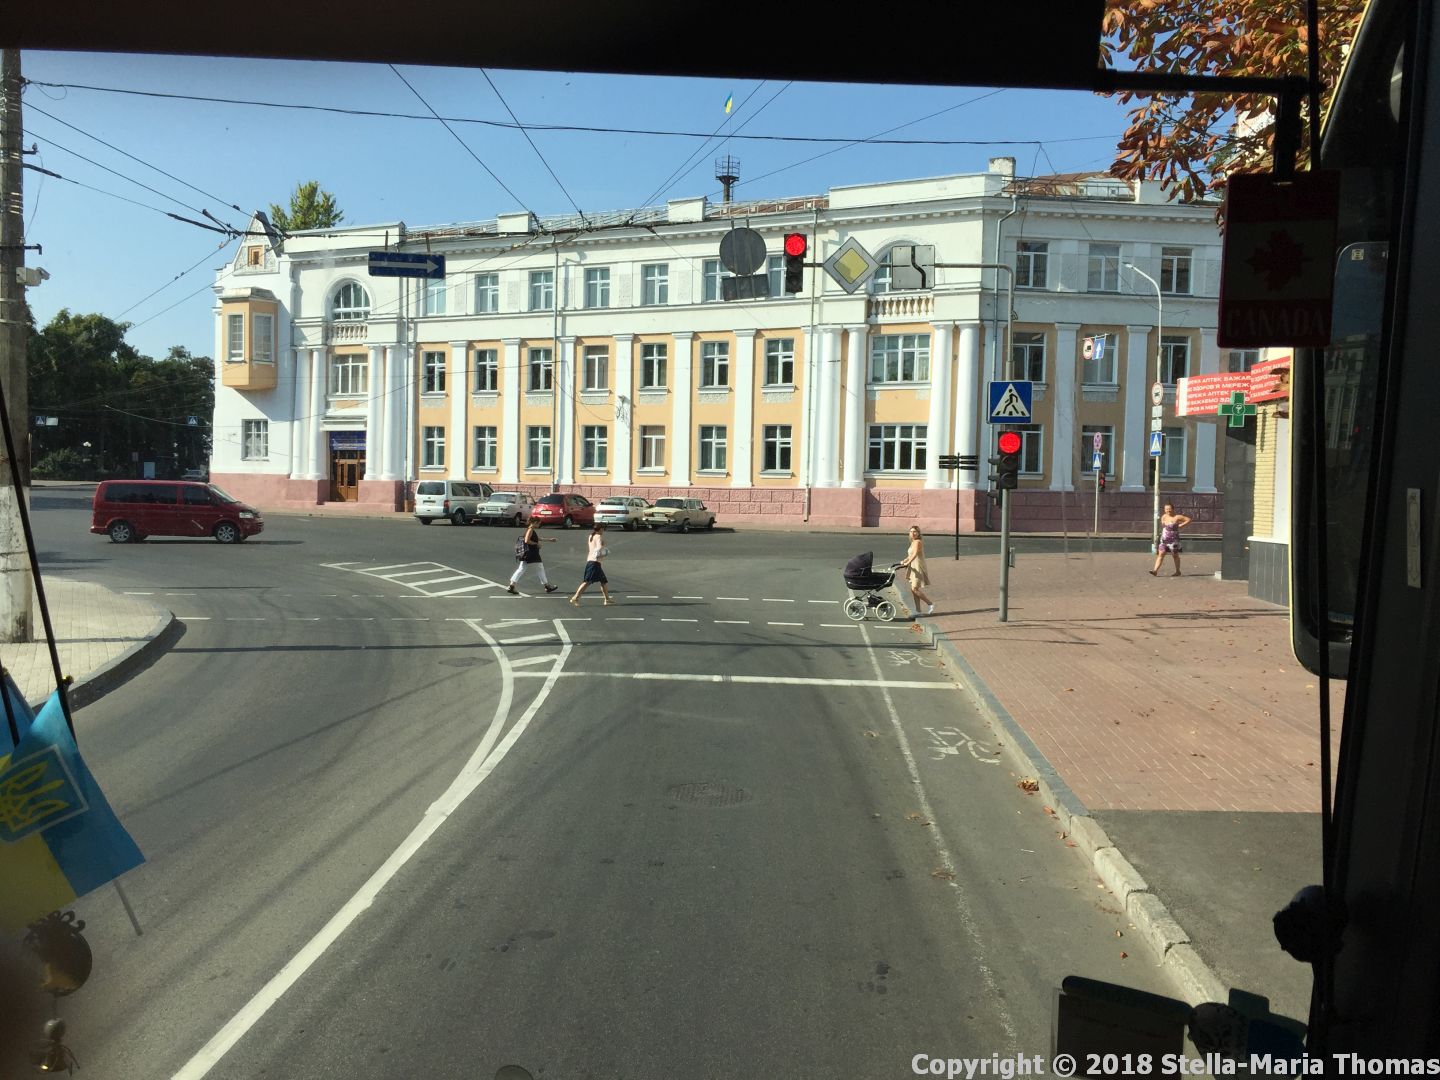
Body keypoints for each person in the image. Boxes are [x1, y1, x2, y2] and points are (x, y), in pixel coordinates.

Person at [508, 518, 559, 594]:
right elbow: (527, 540)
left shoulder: (530, 529)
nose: (539, 525)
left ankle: (512, 585)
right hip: (532, 553)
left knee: (521, 569)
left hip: (527, 553)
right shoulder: (530, 529)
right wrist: (536, 544)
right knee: (540, 568)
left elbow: (536, 538)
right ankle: (547, 586)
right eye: (539, 523)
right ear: (535, 522)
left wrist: (549, 539)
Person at [569, 523, 614, 606]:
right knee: (587, 581)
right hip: (594, 562)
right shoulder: (598, 536)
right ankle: (575, 598)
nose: (603, 531)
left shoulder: (591, 536)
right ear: (600, 529)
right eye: (603, 529)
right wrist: (603, 547)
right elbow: (599, 548)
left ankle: (607, 599)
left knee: (603, 581)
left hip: (591, 561)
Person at [897, 525, 935, 616]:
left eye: (915, 531)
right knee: (914, 589)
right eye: (911, 531)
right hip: (913, 567)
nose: (912, 533)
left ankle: (930, 604)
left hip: (918, 567)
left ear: (918, 533)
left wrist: (907, 563)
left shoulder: (918, 542)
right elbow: (910, 555)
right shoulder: (913, 542)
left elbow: (914, 554)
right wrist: (904, 561)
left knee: (914, 588)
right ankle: (918, 611)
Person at [1150, 503, 1192, 577]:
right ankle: (1155, 571)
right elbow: (1163, 525)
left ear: (1173, 509)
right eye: (1166, 509)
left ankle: (1178, 571)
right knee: (1161, 554)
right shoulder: (1164, 516)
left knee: (1175, 555)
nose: (1168, 510)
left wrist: (1181, 525)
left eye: (1169, 509)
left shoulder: (1177, 517)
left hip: (1173, 540)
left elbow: (1188, 519)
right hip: (1164, 540)